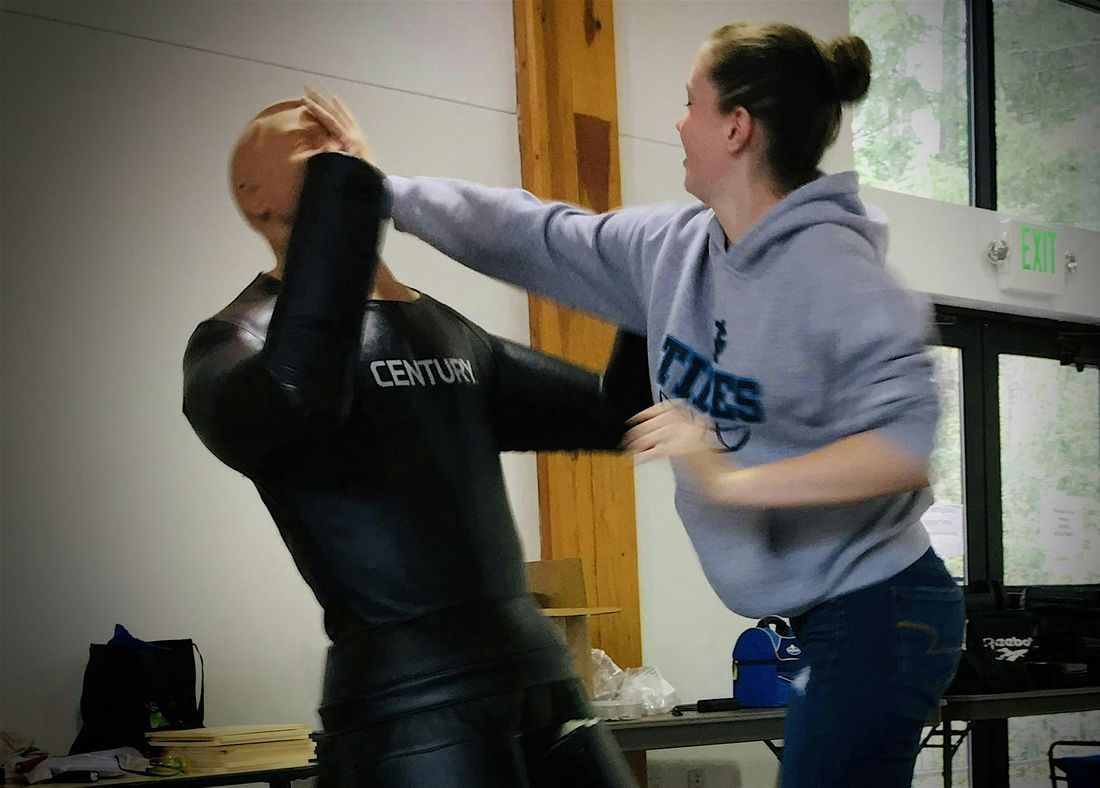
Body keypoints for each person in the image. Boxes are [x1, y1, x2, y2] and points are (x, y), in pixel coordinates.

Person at [305, 19, 965, 788]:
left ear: (736, 127)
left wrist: (726, 479)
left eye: (690, 102)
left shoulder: (837, 272)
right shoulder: (675, 249)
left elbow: (901, 449)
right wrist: (381, 191)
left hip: (887, 607)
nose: (678, 123)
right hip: (826, 615)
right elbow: (536, 234)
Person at [182, 97, 641, 787]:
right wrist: (346, 187)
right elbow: (300, 392)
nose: (336, 144)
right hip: (414, 708)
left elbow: (622, 413)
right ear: (254, 197)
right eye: (309, 143)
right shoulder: (235, 340)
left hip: (540, 678)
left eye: (339, 140)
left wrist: (656, 281)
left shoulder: (446, 330)